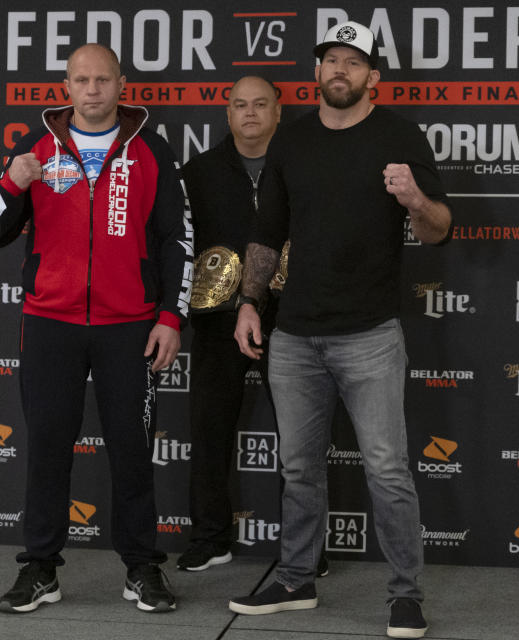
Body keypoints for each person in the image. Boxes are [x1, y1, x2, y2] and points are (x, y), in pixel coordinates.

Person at [228, 22, 452, 640]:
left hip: (370, 336)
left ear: (373, 76)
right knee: (298, 467)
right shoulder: (292, 141)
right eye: (331, 59)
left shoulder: (402, 138)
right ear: (317, 72)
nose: (341, 70)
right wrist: (249, 302)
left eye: (353, 61)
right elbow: (267, 231)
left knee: (386, 469)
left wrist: (414, 199)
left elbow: (439, 229)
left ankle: (406, 595)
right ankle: (296, 579)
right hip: (295, 335)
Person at [0, 43, 193, 614]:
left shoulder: (150, 149)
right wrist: (11, 186)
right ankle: (41, 569)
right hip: (50, 322)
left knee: (132, 449)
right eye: (81, 80)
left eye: (102, 79)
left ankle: (142, 567)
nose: (92, 90)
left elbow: (177, 239)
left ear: (121, 84)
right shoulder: (34, 147)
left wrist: (170, 316)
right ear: (66, 87)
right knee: (48, 447)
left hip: (130, 325)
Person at [176, 76, 281, 572]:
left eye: (261, 105)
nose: (251, 113)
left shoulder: (299, 165)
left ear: (278, 112)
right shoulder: (198, 173)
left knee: (302, 436)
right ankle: (210, 538)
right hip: (218, 318)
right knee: (209, 429)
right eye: (241, 105)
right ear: (228, 113)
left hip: (292, 315)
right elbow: (180, 245)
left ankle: (306, 549)